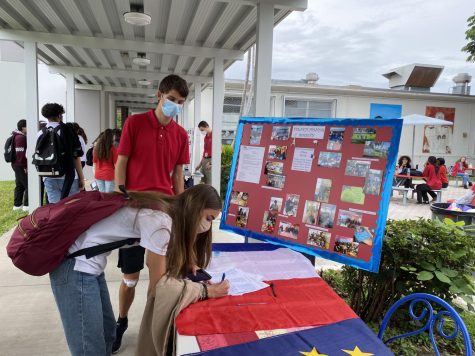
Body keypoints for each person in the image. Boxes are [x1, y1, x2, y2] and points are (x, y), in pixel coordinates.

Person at [49, 185, 229, 356]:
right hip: (74, 266)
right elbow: (158, 288)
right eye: (209, 218)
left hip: (87, 264)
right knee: (90, 347)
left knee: (107, 335)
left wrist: (190, 265)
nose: (208, 226)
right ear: (194, 208)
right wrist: (206, 291)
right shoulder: (160, 221)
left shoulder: (167, 209)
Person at [113, 74, 190, 353]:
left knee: (159, 278)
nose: (175, 105)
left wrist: (181, 207)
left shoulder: (181, 135)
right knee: (130, 276)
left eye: (180, 102)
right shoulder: (134, 123)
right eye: (171, 99)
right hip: (134, 206)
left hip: (163, 210)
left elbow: (178, 173)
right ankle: (121, 322)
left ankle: (152, 329)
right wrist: (121, 193)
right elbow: (122, 161)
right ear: (159, 95)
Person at [39, 103, 85, 203]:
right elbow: (76, 156)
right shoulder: (67, 130)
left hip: (48, 176)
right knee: (71, 208)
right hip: (68, 176)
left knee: (55, 208)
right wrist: (81, 177)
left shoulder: (40, 133)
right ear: (60, 115)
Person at [94, 129, 119, 193]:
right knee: (109, 195)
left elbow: (94, 162)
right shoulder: (113, 148)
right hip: (109, 174)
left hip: (98, 174)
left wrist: (95, 173)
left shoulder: (96, 148)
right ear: (111, 137)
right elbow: (116, 164)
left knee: (102, 194)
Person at [11, 119, 28, 211]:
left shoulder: (16, 136)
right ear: (23, 128)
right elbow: (20, 154)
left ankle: (17, 205)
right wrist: (25, 166)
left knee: (19, 184)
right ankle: (27, 205)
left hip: (16, 164)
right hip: (20, 165)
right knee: (28, 185)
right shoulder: (21, 138)